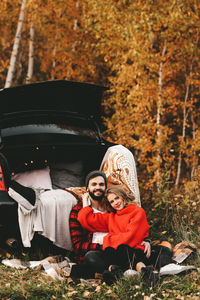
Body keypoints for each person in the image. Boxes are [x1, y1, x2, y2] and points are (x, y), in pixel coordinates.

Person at [77, 185, 173, 285]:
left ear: (123, 196)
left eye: (117, 198)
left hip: (136, 251)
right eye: (112, 201)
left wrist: (106, 240)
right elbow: (87, 219)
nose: (116, 203)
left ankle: (139, 272)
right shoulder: (111, 217)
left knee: (163, 250)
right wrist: (85, 201)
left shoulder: (137, 211)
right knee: (91, 256)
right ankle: (121, 271)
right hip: (117, 254)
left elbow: (130, 236)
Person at [69, 172, 151, 279]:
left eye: (101, 184)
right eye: (94, 184)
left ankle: (121, 272)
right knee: (91, 257)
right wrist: (85, 204)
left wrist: (147, 241)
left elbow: (135, 231)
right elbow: (79, 243)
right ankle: (121, 271)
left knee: (160, 250)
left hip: (124, 249)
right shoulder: (79, 211)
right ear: (87, 188)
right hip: (103, 252)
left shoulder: (111, 210)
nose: (98, 187)